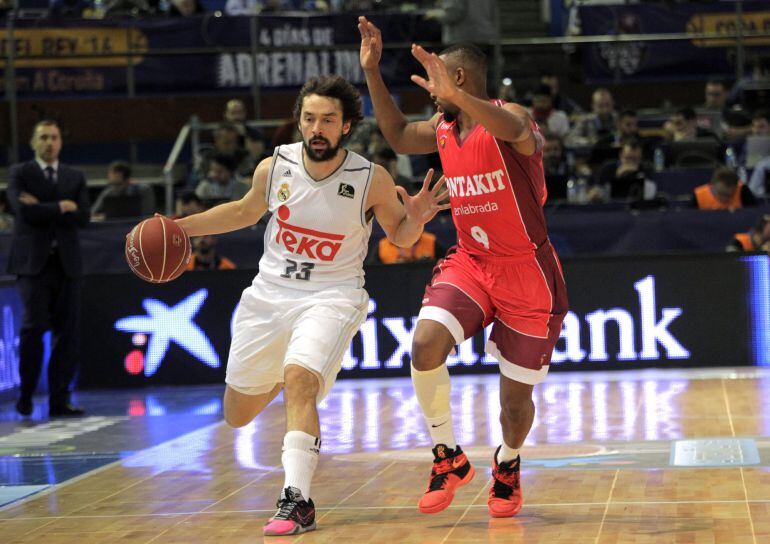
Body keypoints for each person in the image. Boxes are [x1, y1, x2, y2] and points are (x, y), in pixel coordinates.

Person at [175, 74, 448, 536]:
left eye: (327, 120)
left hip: (332, 296)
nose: (317, 128)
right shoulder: (273, 166)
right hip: (269, 296)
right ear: (298, 122)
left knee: (299, 380)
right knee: (237, 414)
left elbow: (400, 237)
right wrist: (179, 227)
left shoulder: (369, 178)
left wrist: (415, 219)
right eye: (309, 118)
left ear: (345, 127)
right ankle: (296, 388)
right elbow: (243, 212)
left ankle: (297, 500)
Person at [359, 17, 568, 518]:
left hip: (527, 272)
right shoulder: (444, 127)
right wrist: (371, 73)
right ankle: (447, 456)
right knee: (425, 344)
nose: (430, 95)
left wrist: (454, 94)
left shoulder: (510, 119)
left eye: (437, 83)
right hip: (472, 263)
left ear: (460, 80)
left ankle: (508, 462)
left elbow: (515, 128)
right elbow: (396, 133)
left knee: (514, 408)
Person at [7, 120, 90, 418]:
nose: (49, 142)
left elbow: (84, 216)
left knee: (68, 334)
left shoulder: (74, 175)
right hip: (33, 265)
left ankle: (60, 398)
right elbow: (23, 211)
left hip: (67, 265)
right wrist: (60, 207)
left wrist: (45, 206)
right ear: (33, 142)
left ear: (61, 142)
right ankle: (26, 394)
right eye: (43, 137)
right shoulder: (20, 173)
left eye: (54, 137)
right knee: (34, 328)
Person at [91, 161, 156, 220]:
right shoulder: (108, 193)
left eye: (112, 173)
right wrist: (104, 217)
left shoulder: (144, 190)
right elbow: (93, 213)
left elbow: (147, 215)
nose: (109, 176)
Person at [692, 167, 756, 210]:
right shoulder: (698, 196)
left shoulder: (743, 192)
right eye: (721, 194)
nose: (724, 199)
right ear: (712, 185)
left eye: (730, 195)